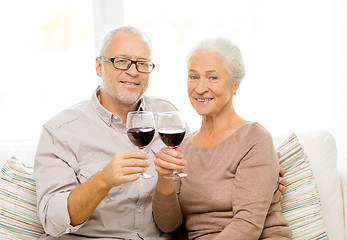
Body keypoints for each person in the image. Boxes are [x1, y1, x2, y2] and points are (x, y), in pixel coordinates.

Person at [34, 26, 287, 239]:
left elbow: (210, 166)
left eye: (142, 64)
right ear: (100, 66)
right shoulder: (61, 131)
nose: (133, 71)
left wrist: (264, 175)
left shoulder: (167, 117)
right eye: (121, 61)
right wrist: (103, 179)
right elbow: (53, 222)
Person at [152, 37, 293, 239]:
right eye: (193, 77)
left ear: (235, 84)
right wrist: (164, 176)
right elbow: (168, 225)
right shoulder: (183, 145)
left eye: (213, 78)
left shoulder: (254, 138)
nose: (200, 88)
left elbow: (247, 224)